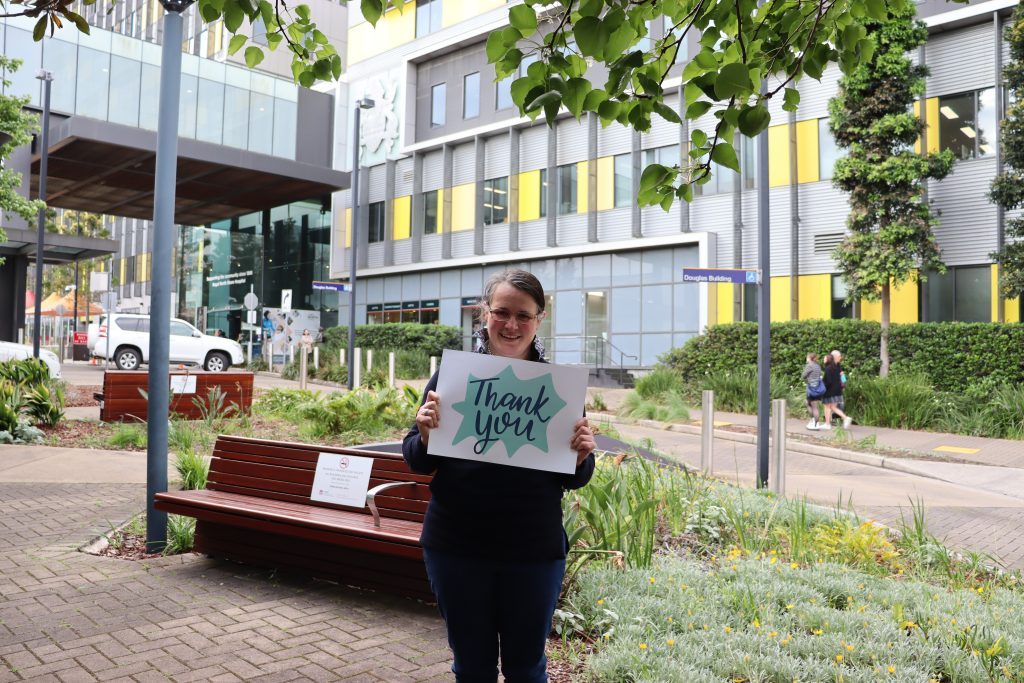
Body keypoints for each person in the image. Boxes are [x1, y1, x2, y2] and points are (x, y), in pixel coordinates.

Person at [402, 269, 596, 683]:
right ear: (484, 314)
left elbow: (575, 478)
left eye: (523, 315)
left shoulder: (557, 388)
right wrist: (422, 434)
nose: (511, 324)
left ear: (539, 319)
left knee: (527, 668)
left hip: (532, 551)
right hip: (457, 546)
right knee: (472, 667)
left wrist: (582, 456)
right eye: (502, 312)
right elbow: (418, 461)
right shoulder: (454, 377)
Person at [822, 351, 853, 429]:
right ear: (834, 357)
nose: (840, 357)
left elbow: (828, 381)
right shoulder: (837, 367)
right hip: (838, 390)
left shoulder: (830, 368)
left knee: (827, 406)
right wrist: (843, 383)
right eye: (839, 356)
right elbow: (842, 378)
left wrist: (823, 388)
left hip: (830, 390)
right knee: (833, 407)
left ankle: (828, 424)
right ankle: (845, 418)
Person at [802, 352, 825, 430]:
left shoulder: (809, 366)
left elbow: (803, 376)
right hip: (818, 388)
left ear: (809, 358)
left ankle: (816, 423)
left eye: (807, 357)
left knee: (814, 406)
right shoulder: (817, 366)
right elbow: (820, 375)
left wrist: (808, 376)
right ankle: (813, 421)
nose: (806, 358)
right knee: (809, 403)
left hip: (812, 388)